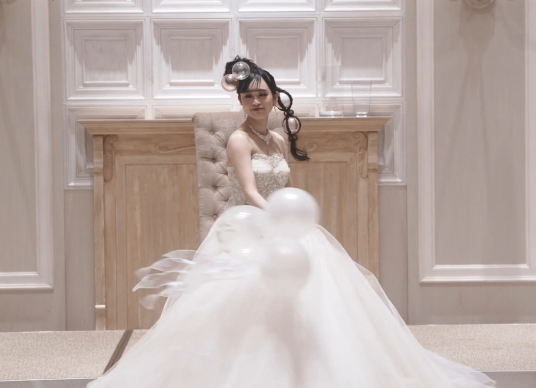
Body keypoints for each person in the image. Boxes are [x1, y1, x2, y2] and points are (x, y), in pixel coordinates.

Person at [87, 57, 496, 387]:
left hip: (283, 223)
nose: (256, 101)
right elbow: (249, 191)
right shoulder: (238, 139)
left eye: (262, 94)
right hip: (250, 224)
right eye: (249, 96)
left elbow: (287, 186)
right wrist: (278, 221)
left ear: (274, 97)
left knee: (322, 290)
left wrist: (294, 220)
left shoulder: (279, 139)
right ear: (241, 101)